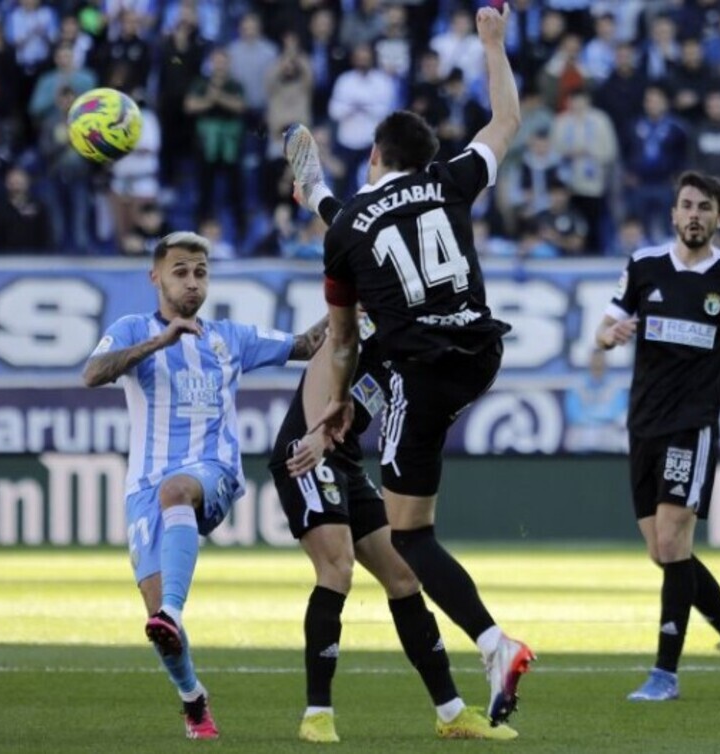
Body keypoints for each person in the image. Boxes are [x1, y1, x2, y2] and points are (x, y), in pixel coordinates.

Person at [284, 4, 534, 727]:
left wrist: (337, 403)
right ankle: (488, 648)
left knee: (408, 534)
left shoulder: (347, 226)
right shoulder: (451, 181)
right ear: (423, 159)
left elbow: (341, 339)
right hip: (481, 350)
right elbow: (506, 120)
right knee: (412, 507)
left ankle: (492, 644)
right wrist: (493, 43)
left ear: (373, 155)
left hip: (418, 372)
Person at [269, 198, 517, 743]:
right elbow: (320, 382)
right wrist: (314, 436)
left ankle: (451, 714)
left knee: (404, 576)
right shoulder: (351, 334)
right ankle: (317, 715)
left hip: (342, 459)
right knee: (336, 570)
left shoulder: (398, 348)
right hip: (304, 455)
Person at [82, 231, 327, 740]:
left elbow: (305, 345)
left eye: (200, 272)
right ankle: (194, 700)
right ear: (155, 276)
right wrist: (159, 341)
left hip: (211, 473)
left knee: (177, 493)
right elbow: (92, 373)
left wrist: (353, 300)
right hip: (144, 487)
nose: (192, 283)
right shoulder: (131, 328)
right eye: (180, 271)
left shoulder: (229, 338)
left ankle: (173, 609)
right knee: (159, 626)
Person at [595, 171, 720, 702]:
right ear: (673, 213)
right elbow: (604, 332)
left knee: (676, 540)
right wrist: (612, 335)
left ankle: (665, 675)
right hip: (643, 423)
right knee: (662, 550)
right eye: (687, 205)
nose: (694, 214)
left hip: (692, 424)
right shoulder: (644, 266)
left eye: (705, 207)